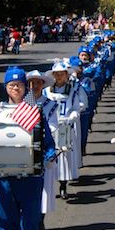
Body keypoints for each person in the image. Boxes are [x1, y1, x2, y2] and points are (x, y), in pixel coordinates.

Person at [0, 67, 56, 230]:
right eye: (11, 85)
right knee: (7, 220)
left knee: (31, 221)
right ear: (6, 88)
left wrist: (48, 157)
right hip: (5, 177)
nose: (16, 88)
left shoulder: (34, 111)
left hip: (30, 178)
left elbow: (48, 144)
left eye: (19, 85)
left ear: (26, 88)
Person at [43, 61, 82, 199]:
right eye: (57, 74)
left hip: (65, 127)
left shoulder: (72, 91)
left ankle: (63, 185)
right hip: (50, 127)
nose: (59, 77)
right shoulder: (46, 91)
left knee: (64, 156)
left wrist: (71, 117)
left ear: (66, 75)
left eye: (62, 74)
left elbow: (77, 108)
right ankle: (49, 186)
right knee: (50, 155)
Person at [26, 70, 59, 230]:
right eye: (31, 82)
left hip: (43, 147)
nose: (34, 85)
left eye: (38, 82)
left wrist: (41, 135)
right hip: (25, 149)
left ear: (42, 84)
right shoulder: (21, 104)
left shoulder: (49, 104)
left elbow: (53, 126)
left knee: (44, 189)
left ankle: (40, 221)